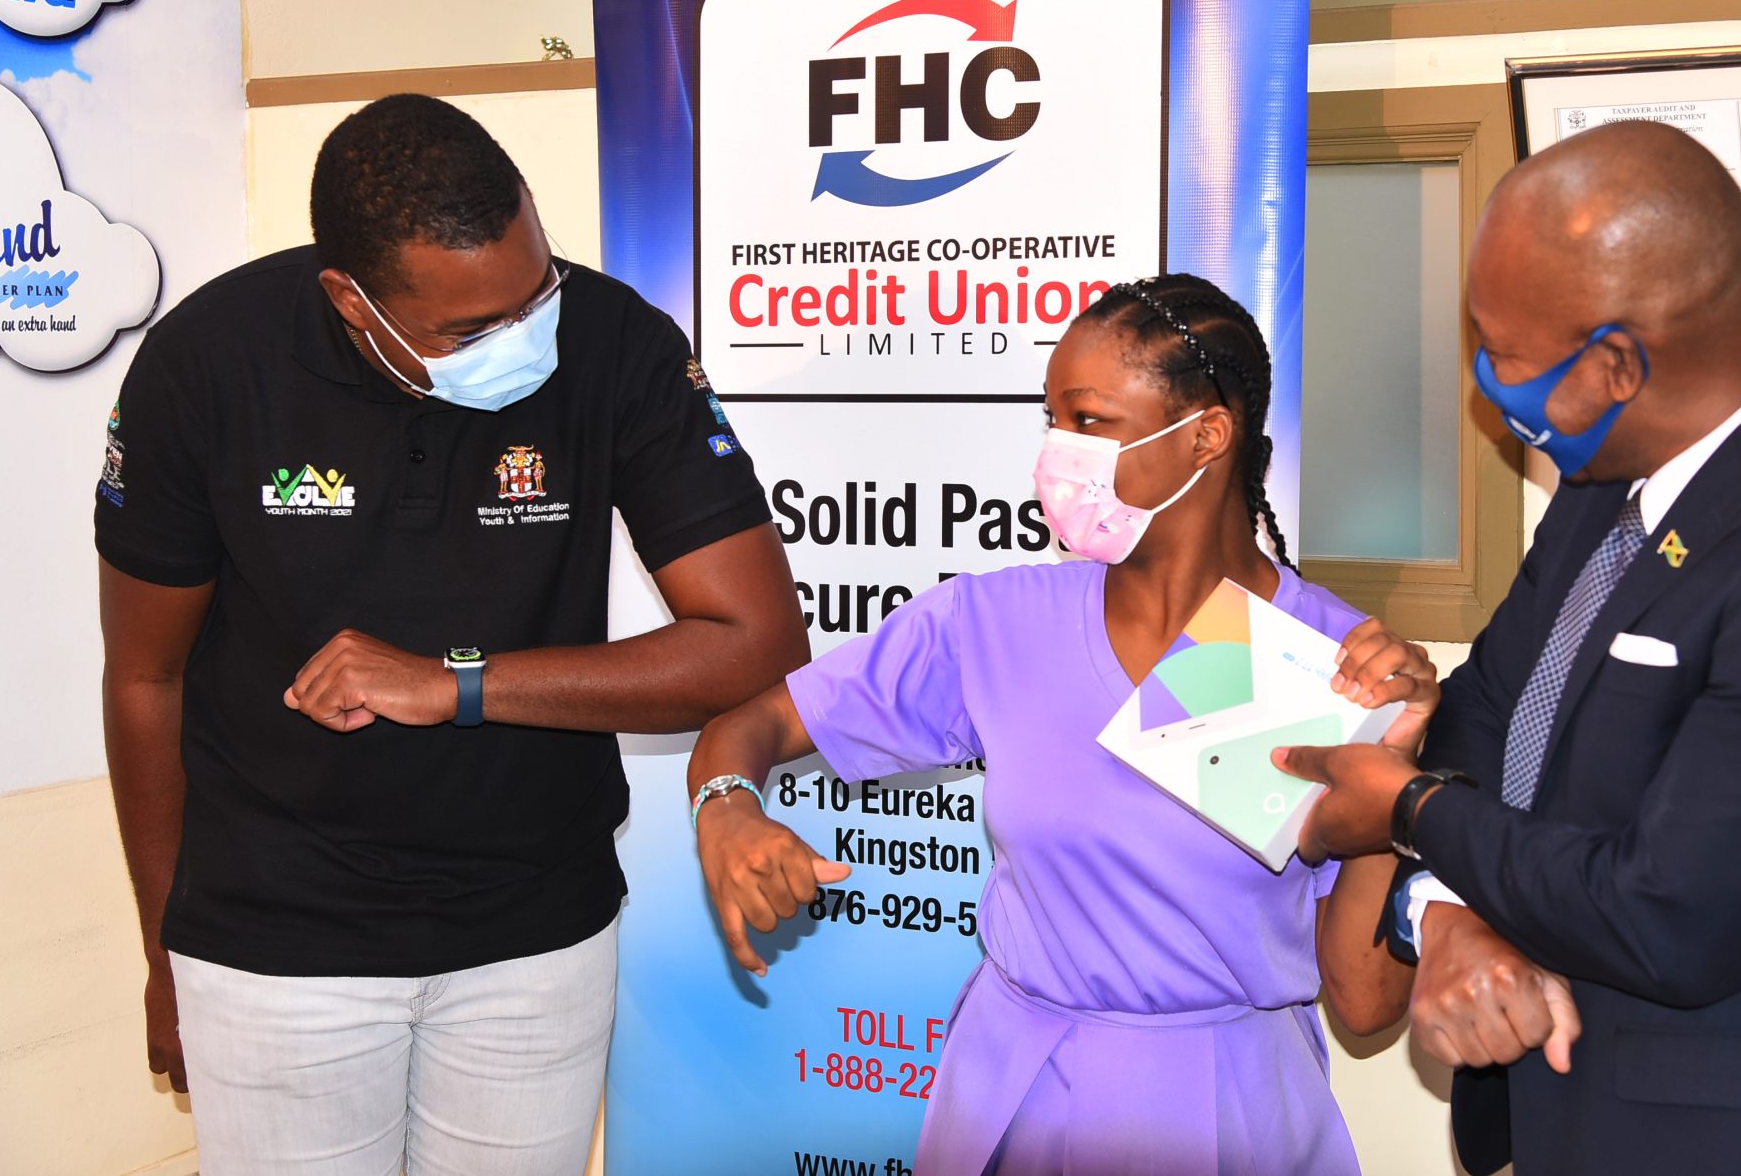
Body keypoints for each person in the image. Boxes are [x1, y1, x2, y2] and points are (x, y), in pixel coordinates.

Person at [95, 94, 809, 1175]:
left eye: (538, 293)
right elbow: (146, 674)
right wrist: (164, 952)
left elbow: (755, 640)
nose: (524, 341)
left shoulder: (614, 344)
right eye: (471, 332)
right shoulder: (207, 364)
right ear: (351, 300)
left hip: (537, 933)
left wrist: (459, 682)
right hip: (277, 944)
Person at [1278, 121, 1741, 1176]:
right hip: (1561, 1117)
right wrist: (1447, 909)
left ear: (1613, 364)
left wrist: (1407, 810)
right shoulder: (1611, 474)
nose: (1480, 382)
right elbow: (1490, 710)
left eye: (1501, 353)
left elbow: (1668, 916)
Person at [687, 275, 1435, 1175]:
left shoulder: (1325, 661)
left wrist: (1399, 778)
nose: (1056, 452)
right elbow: (751, 727)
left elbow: (1362, 1002)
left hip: (1217, 1106)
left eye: (1087, 421)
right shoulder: (996, 623)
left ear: (1206, 436)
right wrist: (728, 806)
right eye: (1050, 420)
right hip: (1011, 1091)